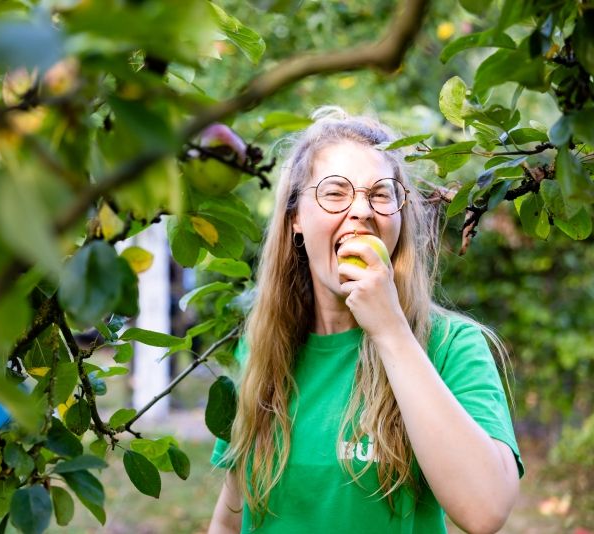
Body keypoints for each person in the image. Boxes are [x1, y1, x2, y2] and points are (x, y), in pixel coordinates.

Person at [207, 108, 523, 534]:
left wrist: (390, 329)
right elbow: (232, 518)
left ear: (399, 215)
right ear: (296, 218)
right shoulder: (262, 349)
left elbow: (485, 510)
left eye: (381, 194)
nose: (361, 210)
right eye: (335, 192)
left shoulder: (450, 347)